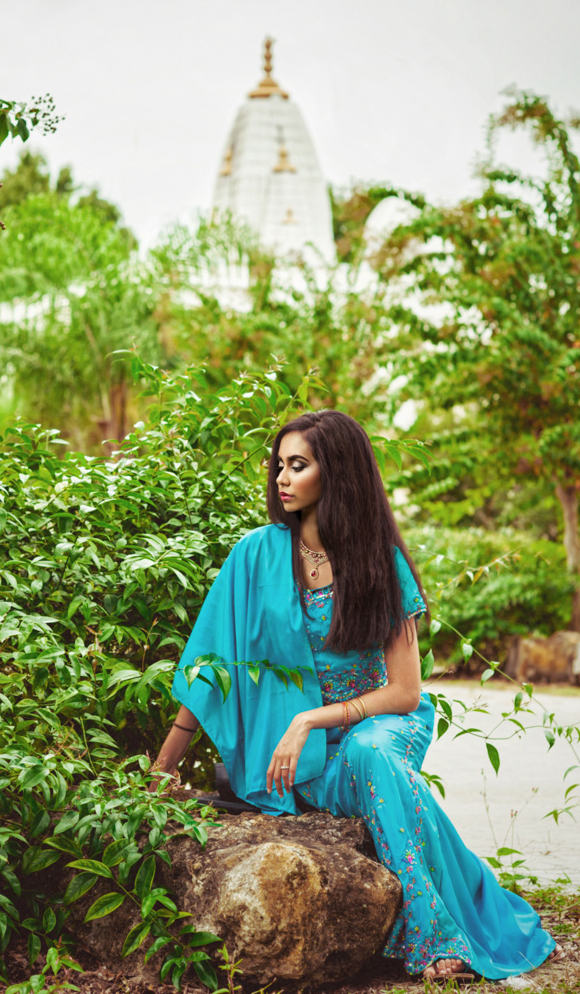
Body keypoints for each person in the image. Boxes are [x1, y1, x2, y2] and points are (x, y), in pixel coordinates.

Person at [150, 410, 561, 982]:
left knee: (372, 752)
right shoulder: (255, 557)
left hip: (384, 723)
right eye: (279, 466)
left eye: (299, 466)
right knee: (370, 763)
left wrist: (310, 718)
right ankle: (474, 914)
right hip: (307, 756)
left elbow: (404, 691)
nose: (282, 479)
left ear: (336, 474)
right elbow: (209, 670)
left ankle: (434, 938)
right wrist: (163, 767)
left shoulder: (378, 562)